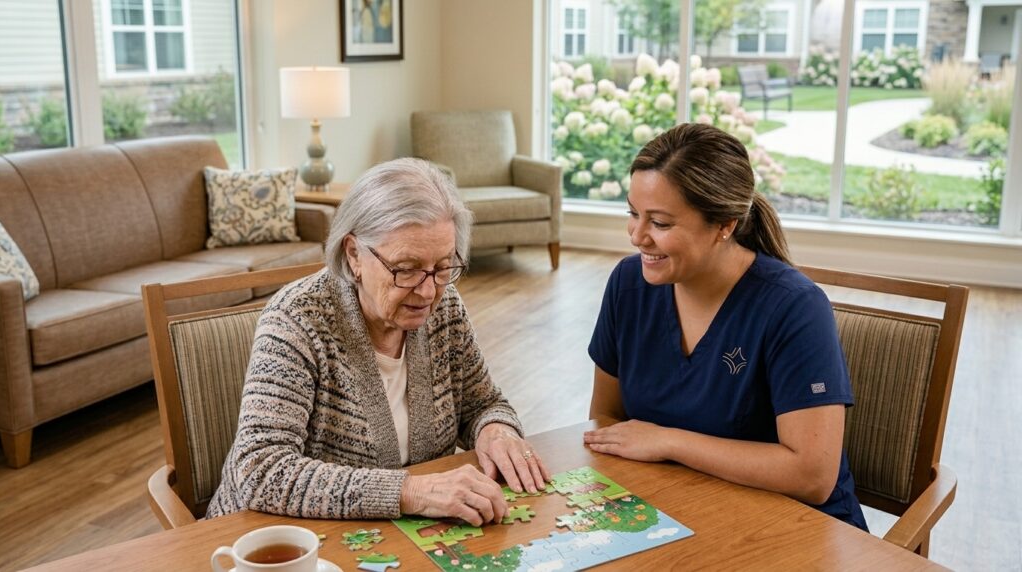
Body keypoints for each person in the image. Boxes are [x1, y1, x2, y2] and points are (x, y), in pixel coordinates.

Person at [207, 158, 550, 526]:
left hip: (397, 538)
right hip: (271, 541)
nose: (428, 290)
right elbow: (261, 470)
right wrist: (412, 492)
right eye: (406, 268)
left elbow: (482, 403)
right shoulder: (295, 321)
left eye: (443, 266)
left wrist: (495, 431)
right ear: (354, 253)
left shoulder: (444, 307)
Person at [583, 123, 867, 530]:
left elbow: (813, 477)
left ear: (725, 225)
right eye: (633, 214)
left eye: (660, 223)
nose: (637, 237)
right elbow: (607, 420)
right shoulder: (629, 285)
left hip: (796, 531)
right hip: (679, 514)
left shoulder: (795, 307)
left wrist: (668, 440)